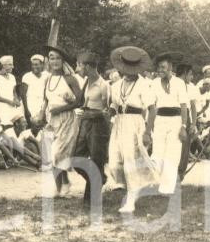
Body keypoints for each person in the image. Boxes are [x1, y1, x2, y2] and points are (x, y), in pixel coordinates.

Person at [107, 46, 157, 212]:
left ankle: (131, 200)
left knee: (131, 161)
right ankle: (128, 186)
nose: (127, 72)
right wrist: (111, 112)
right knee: (114, 161)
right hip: (119, 123)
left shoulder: (144, 85)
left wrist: (148, 132)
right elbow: (114, 104)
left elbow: (152, 109)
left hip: (135, 124)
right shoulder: (116, 85)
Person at [35, 45, 83, 197]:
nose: (54, 61)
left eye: (57, 58)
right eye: (51, 58)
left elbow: (80, 101)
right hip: (52, 121)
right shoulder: (47, 79)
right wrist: (42, 114)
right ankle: (63, 185)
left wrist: (61, 109)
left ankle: (61, 186)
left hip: (68, 119)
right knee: (54, 156)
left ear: (63, 61)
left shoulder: (70, 79)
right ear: (48, 61)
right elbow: (45, 100)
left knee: (57, 154)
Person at [72, 51, 112, 206]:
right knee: (76, 159)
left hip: (98, 126)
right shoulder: (86, 82)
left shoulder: (104, 85)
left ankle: (92, 198)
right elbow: (83, 102)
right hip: (85, 123)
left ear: (88, 66)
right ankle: (100, 179)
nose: (77, 68)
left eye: (79, 65)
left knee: (97, 160)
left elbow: (106, 112)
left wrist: (90, 115)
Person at [148, 52, 188, 196]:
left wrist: (183, 126)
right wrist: (150, 127)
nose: (160, 70)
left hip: (176, 120)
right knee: (157, 154)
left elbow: (184, 106)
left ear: (170, 67)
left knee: (172, 154)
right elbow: (151, 107)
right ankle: (155, 182)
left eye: (163, 67)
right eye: (159, 67)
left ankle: (167, 189)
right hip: (159, 120)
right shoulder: (153, 83)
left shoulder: (179, 83)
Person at [21, 54, 49, 129]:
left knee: (41, 127)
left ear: (42, 65)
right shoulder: (27, 76)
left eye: (37, 65)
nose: (34, 67)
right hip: (30, 105)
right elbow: (23, 95)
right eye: (33, 65)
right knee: (30, 127)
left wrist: (44, 109)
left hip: (41, 105)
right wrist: (26, 110)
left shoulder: (46, 76)